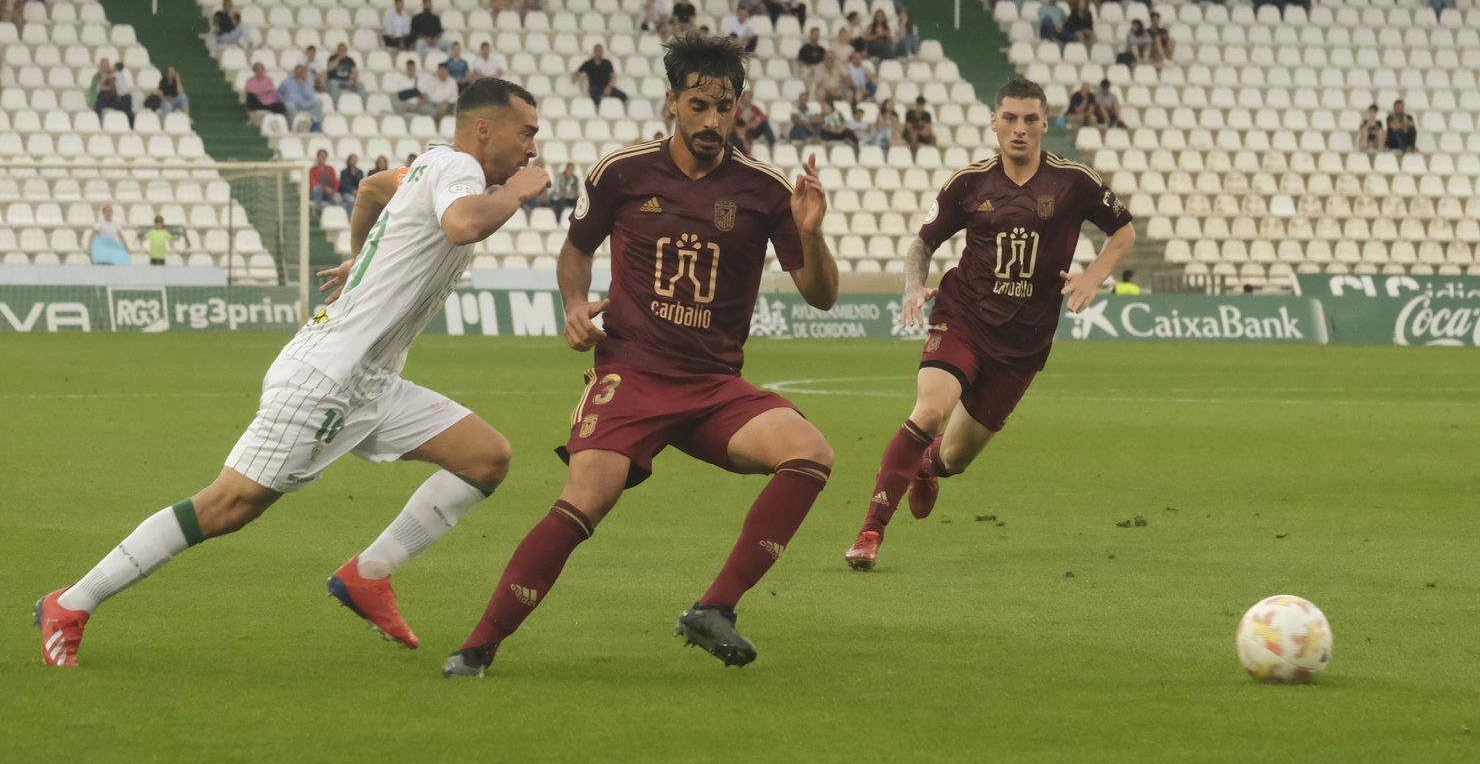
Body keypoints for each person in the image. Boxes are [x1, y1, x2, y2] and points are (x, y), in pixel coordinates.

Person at [36, 80, 552, 669]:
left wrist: (363, 257)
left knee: (485, 456)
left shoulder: (436, 168)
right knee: (230, 504)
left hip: (374, 381)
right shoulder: (459, 168)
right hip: (326, 376)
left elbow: (372, 188)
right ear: (484, 130)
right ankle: (70, 603)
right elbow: (463, 225)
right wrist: (516, 191)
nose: (532, 148)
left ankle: (368, 574)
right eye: (527, 132)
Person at [442, 35, 838, 677]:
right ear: (672, 104)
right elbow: (576, 251)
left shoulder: (765, 191)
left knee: (810, 452)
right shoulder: (621, 173)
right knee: (585, 498)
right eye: (699, 105)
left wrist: (813, 236)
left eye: (725, 107)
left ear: (739, 108)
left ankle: (716, 608)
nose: (712, 121)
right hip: (633, 373)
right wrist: (574, 305)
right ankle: (479, 645)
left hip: (714, 385)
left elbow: (821, 295)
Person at [844, 78, 1135, 570]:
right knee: (930, 411)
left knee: (953, 458)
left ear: (1044, 123)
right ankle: (871, 531)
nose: (1019, 129)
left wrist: (1094, 275)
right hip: (963, 318)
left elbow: (1123, 230)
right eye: (1009, 118)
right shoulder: (968, 184)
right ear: (994, 122)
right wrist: (914, 287)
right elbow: (922, 245)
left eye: (1029, 119)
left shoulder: (1074, 182)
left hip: (1023, 344)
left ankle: (926, 469)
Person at [90, 60, 135, 127]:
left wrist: (111, 80)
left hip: (114, 99)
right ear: (100, 67)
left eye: (107, 65)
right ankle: (97, 125)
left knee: (126, 100)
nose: (106, 67)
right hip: (102, 100)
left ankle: (131, 126)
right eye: (104, 66)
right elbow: (98, 90)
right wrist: (104, 81)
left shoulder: (114, 74)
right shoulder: (97, 77)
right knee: (99, 104)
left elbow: (118, 89)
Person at [279, 63, 324, 130]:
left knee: (318, 102)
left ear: (304, 73)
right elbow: (279, 93)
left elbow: (309, 95)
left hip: (305, 103)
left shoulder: (308, 81)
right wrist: (283, 100)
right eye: (298, 72)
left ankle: (315, 124)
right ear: (294, 72)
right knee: (288, 105)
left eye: (301, 72)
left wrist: (304, 85)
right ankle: (293, 126)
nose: (299, 74)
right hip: (293, 104)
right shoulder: (287, 81)